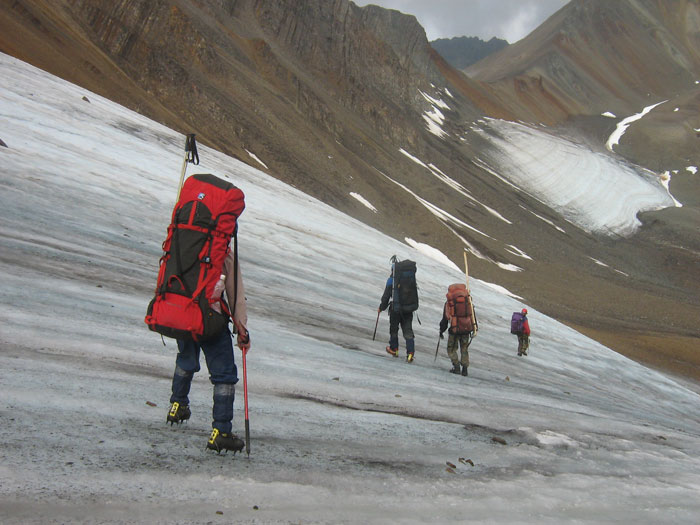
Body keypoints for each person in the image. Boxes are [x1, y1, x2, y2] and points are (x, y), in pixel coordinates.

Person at [166, 246, 251, 454]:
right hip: (210, 317)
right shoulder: (223, 250)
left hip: (182, 311)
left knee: (186, 359)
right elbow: (234, 293)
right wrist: (242, 330)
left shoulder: (185, 238)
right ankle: (221, 432)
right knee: (224, 375)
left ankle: (177, 405)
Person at [378, 270, 416, 363]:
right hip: (408, 309)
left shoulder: (391, 280)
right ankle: (410, 353)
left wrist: (381, 307)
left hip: (395, 309)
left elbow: (386, 296)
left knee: (394, 329)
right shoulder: (410, 279)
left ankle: (394, 349)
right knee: (408, 331)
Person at [439, 283, 474, 376]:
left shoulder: (450, 302)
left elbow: (446, 317)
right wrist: (474, 328)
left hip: (454, 330)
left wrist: (441, 330)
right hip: (466, 329)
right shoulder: (468, 300)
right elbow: (472, 316)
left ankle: (456, 366)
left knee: (451, 349)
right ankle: (465, 369)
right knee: (464, 348)